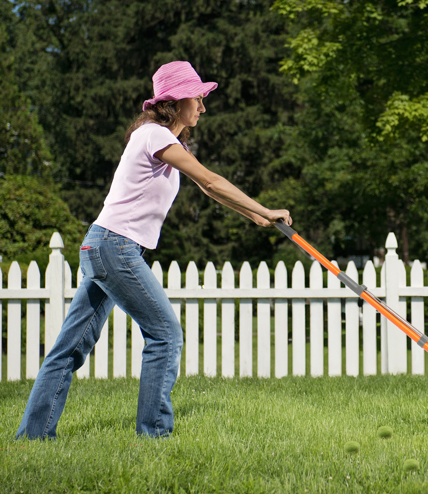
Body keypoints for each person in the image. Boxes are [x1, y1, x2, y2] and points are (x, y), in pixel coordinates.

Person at [16, 61, 291, 439]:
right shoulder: (152, 135)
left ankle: (31, 437)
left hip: (102, 245)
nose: (203, 107)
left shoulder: (161, 141)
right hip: (115, 248)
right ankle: (154, 434)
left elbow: (208, 189)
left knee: (70, 347)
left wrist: (255, 217)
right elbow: (210, 178)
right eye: (197, 98)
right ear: (175, 101)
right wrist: (265, 208)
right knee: (165, 335)